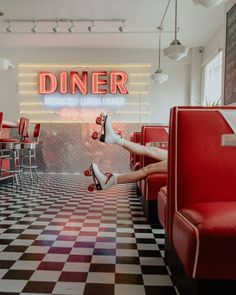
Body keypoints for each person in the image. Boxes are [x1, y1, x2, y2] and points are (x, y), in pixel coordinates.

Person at [89, 114, 168, 190]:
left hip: (180, 164)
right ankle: (115, 139)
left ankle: (108, 182)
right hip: (178, 156)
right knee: (152, 150)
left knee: (149, 168)